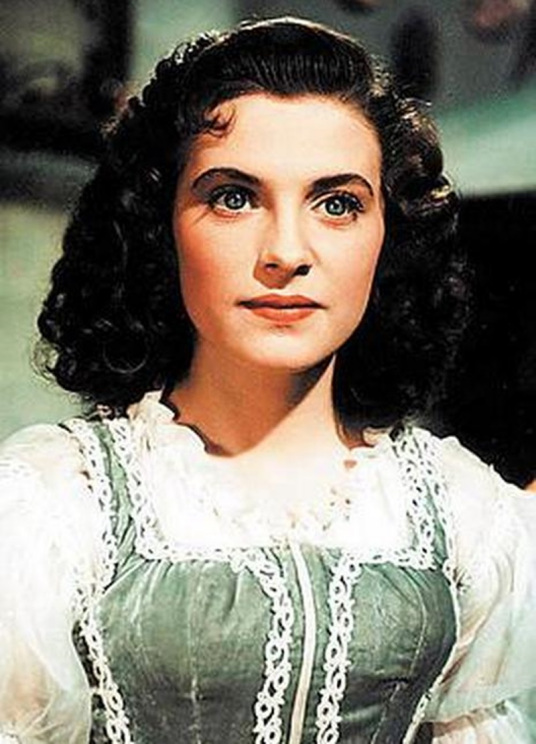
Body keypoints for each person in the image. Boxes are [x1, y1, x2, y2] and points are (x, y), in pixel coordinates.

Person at [1, 16, 535, 744]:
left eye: (337, 204)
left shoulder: (466, 514)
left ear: (389, 235)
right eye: (234, 197)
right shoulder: (55, 503)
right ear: (162, 227)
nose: (286, 252)